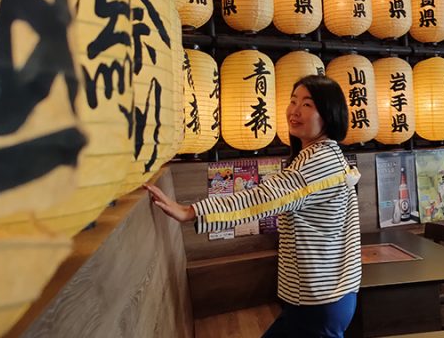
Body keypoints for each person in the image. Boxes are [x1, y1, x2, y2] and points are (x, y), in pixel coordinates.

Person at [144, 75, 361, 338]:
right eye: (293, 101)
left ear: (330, 114)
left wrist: (192, 212)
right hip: (328, 294)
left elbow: (263, 198)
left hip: (320, 298)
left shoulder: (317, 162)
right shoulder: (327, 154)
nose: (295, 110)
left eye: (307, 104)